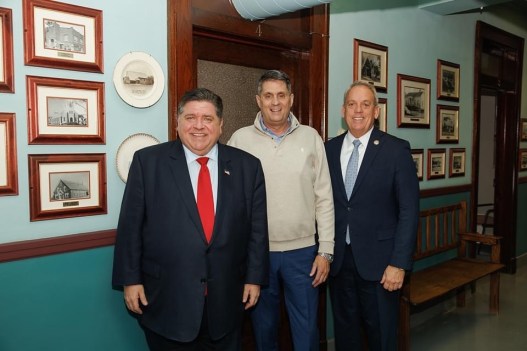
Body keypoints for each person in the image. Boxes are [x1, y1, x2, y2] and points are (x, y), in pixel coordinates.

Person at [112, 88, 269, 351]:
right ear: (177, 123)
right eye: (190, 117)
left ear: (220, 125)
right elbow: (131, 227)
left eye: (207, 119)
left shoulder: (247, 167)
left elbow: (257, 230)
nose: (198, 126)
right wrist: (131, 280)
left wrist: (254, 278)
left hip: (227, 301)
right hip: (166, 300)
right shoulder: (148, 163)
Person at [228, 69, 334, 351]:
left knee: (307, 328)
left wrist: (325, 251)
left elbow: (324, 197)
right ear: (258, 100)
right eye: (268, 96)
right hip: (258, 253)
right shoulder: (239, 140)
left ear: (291, 99)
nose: (275, 102)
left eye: (281, 95)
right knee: (263, 329)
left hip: (304, 255)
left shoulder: (311, 138)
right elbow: (229, 203)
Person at [325, 81, 420, 351]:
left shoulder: (396, 150)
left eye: (365, 104)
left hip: (381, 266)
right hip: (339, 263)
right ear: (343, 110)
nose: (358, 110)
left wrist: (399, 264)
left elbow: (409, 210)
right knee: (346, 337)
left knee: (381, 337)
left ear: (376, 111)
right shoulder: (328, 150)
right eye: (352, 104)